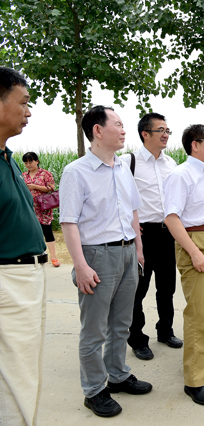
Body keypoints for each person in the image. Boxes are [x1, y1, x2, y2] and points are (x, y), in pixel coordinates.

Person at [59, 106, 152, 418]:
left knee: (121, 323)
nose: (124, 130)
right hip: (97, 255)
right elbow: (69, 223)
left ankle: (118, 373)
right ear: (97, 131)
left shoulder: (123, 166)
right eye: (119, 124)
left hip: (127, 252)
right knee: (95, 330)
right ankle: (94, 389)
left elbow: (134, 211)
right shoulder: (76, 172)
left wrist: (138, 249)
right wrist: (81, 265)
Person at [163, 125, 204, 406]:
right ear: (194, 145)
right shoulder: (181, 175)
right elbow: (171, 218)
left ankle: (199, 357)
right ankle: (195, 380)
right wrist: (195, 252)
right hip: (195, 243)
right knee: (198, 312)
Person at [0, 67, 48, 426]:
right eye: (24, 104)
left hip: (25, 275)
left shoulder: (8, 158)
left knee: (22, 370)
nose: (29, 112)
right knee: (15, 374)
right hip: (8, 279)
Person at [121, 113, 181, 361]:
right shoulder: (128, 161)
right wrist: (130, 225)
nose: (166, 134)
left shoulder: (172, 164)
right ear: (145, 134)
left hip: (168, 233)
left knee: (167, 287)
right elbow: (117, 196)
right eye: (160, 130)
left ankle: (165, 331)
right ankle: (137, 339)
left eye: (167, 130)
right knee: (138, 290)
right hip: (142, 235)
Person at [22, 152, 61, 267]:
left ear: (37, 161)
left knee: (47, 231)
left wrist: (34, 186)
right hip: (29, 207)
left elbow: (51, 188)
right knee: (30, 232)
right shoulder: (23, 175)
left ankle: (53, 257)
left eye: (31, 162)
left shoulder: (45, 174)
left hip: (43, 207)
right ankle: (33, 255)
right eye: (26, 162)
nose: (29, 164)